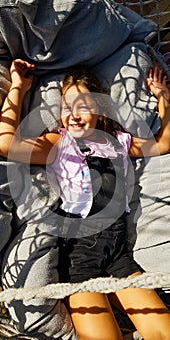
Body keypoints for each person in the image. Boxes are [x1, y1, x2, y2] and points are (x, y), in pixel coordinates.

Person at [0, 59, 170, 340]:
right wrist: (19, 87)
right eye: (67, 107)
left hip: (118, 255)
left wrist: (163, 97)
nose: (74, 115)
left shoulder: (118, 141)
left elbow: (163, 143)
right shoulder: (60, 143)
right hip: (78, 256)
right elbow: (6, 144)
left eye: (83, 106)